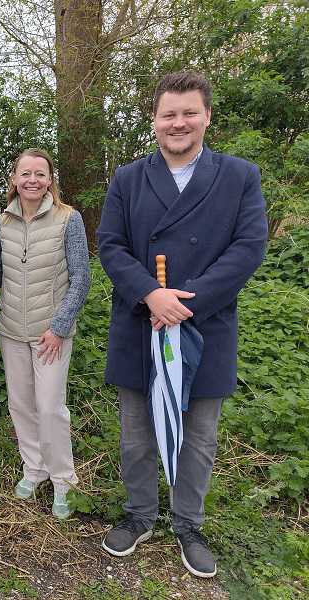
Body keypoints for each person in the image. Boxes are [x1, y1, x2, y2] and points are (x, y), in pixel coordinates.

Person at [97, 72, 268, 578]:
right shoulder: (128, 178)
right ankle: (139, 514)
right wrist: (151, 294)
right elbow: (110, 245)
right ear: (154, 121)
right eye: (169, 114)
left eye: (188, 112)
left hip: (205, 324)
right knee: (136, 434)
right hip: (140, 323)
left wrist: (186, 302)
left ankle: (188, 523)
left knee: (199, 436)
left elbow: (248, 247)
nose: (178, 123)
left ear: (207, 116)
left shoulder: (240, 176)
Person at [0, 148, 90, 519]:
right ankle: (34, 469)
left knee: (50, 407)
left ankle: (64, 481)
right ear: (14, 180)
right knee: (21, 405)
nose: (32, 180)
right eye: (25, 174)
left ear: (50, 180)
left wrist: (60, 327)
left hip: (52, 333)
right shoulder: (2, 223)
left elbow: (81, 279)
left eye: (40, 174)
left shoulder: (70, 219)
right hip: (12, 330)